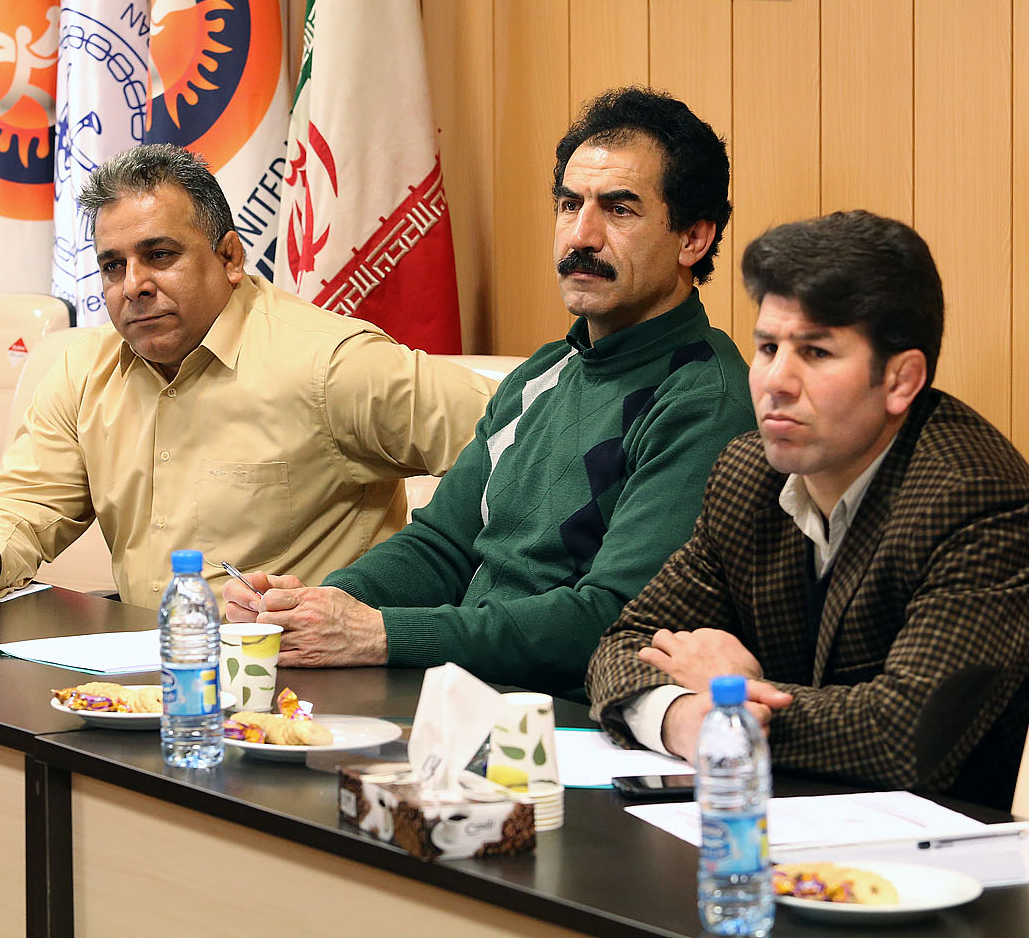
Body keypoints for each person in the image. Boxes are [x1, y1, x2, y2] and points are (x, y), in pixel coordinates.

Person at [221, 87, 756, 696]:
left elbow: (616, 620)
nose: (581, 235)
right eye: (569, 205)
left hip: (569, 719)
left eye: (619, 209)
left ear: (693, 239)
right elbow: (441, 547)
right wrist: (320, 607)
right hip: (457, 691)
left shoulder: (703, 401)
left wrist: (382, 634)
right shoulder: (544, 372)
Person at [586, 210, 1029, 807]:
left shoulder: (980, 503)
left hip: (964, 840)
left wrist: (732, 699)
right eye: (768, 347)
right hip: (796, 817)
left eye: (816, 352)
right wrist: (682, 717)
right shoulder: (748, 474)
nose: (776, 381)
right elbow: (624, 643)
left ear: (901, 380)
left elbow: (903, 737)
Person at [0, 144, 495, 608]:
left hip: (301, 675)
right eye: (113, 265)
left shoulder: (330, 363)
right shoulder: (84, 371)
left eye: (159, 255)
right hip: (142, 668)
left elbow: (524, 439)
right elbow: (28, 500)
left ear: (230, 257)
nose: (133, 285)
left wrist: (435, 593)